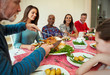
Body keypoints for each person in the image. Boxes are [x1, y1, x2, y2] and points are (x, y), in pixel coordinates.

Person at [0, 0, 53, 74]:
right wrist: (39, 50)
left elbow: (4, 29)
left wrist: (46, 41)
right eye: (16, 2)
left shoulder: (33, 27)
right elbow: (16, 44)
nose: (19, 9)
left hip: (31, 54)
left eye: (36, 14)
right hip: (25, 55)